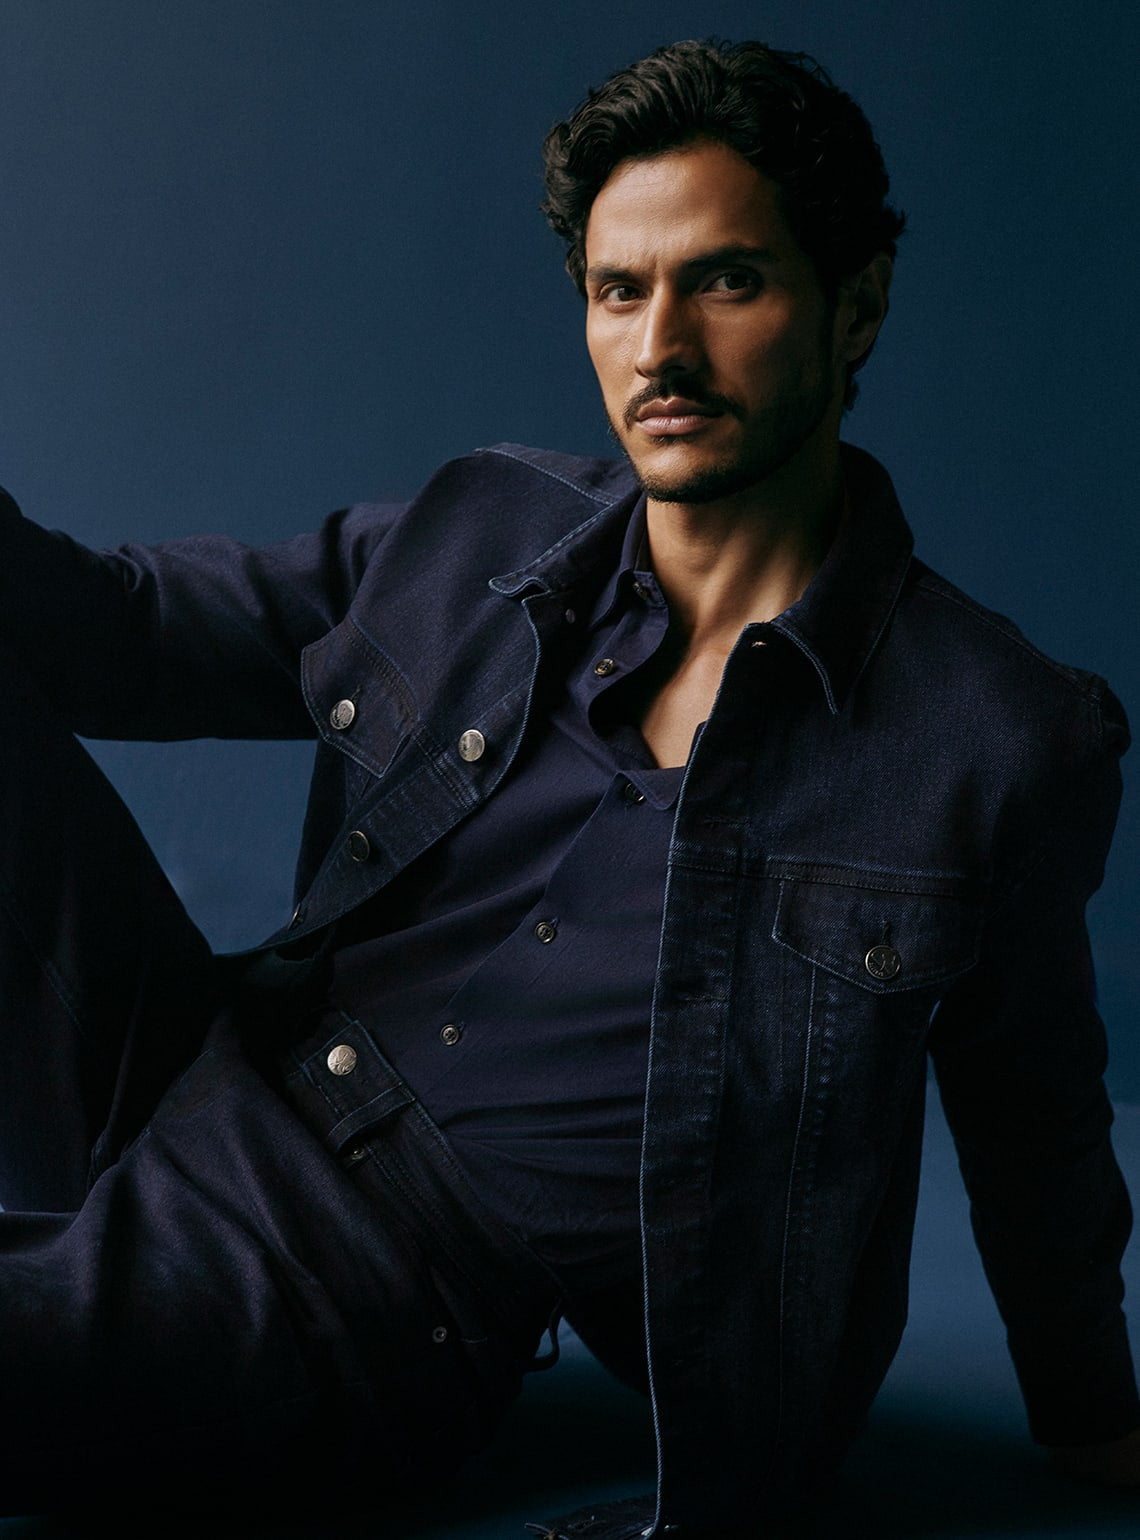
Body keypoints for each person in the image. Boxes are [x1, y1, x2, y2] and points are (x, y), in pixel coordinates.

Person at [0, 36, 1134, 1540]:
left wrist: (1090, 1412)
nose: (661, 347)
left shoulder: (987, 737)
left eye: (727, 282)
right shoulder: (485, 531)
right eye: (619, 290)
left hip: (366, 1291)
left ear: (856, 303)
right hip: (200, 1059)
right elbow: (121, 631)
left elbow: (1035, 1115)